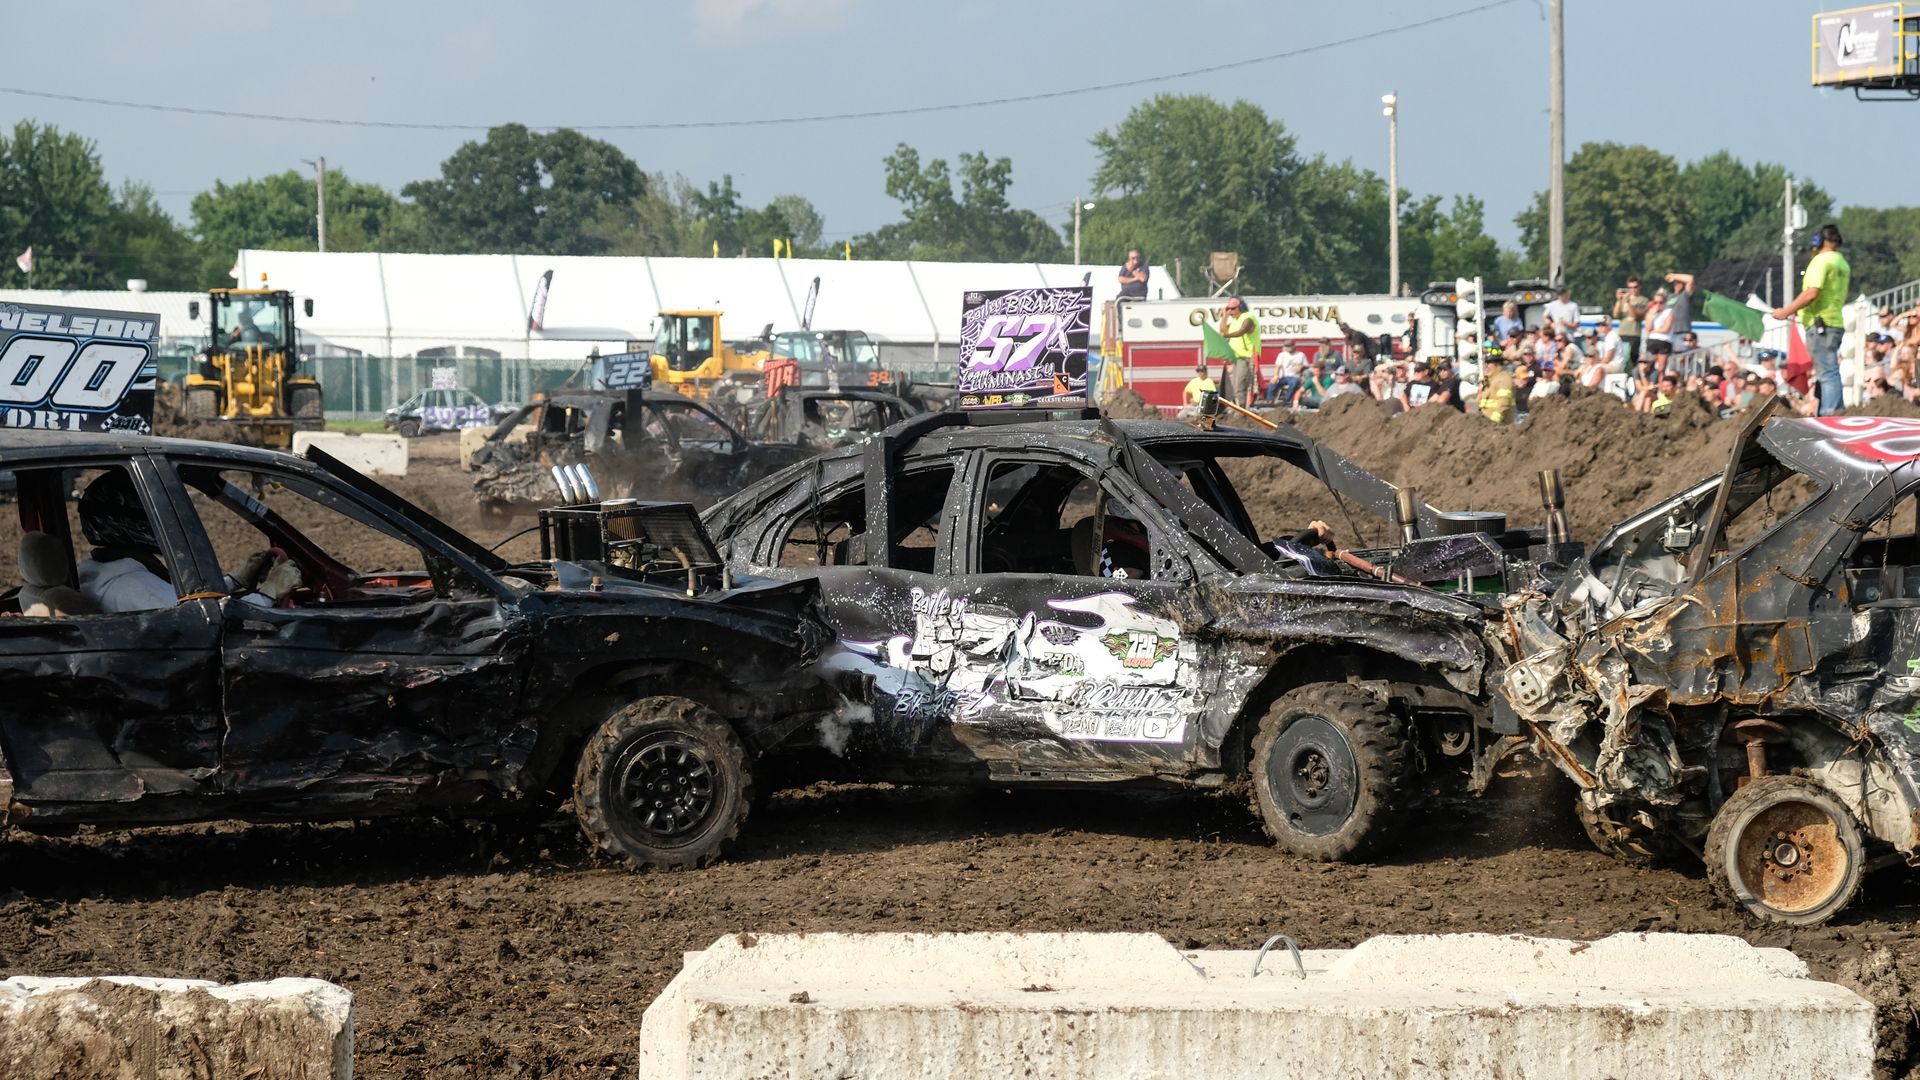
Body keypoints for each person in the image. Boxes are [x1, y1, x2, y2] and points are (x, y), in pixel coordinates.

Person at [1771, 224, 1851, 416]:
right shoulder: (1842, 263)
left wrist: (1787, 311)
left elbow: (1812, 292)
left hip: (1820, 323)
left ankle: (1831, 414)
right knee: (1830, 370)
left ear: (1819, 241)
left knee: (1827, 372)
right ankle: (1832, 412)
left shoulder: (1821, 261)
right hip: (1834, 322)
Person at [1218, 297, 1259, 405]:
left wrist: (1226, 335)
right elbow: (1222, 330)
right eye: (1228, 308)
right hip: (1237, 358)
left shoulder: (1248, 317)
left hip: (1246, 357)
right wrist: (1224, 317)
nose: (1230, 311)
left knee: (1240, 386)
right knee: (1236, 387)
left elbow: (1243, 330)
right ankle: (1240, 409)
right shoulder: (1235, 321)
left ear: (1241, 307)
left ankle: (1242, 411)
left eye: (1233, 308)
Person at [1611, 276, 1649, 367]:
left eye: (1635, 287)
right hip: (1622, 333)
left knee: (1632, 360)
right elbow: (1616, 315)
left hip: (1634, 334)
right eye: (1630, 287)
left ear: (1639, 287)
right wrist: (1619, 300)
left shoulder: (1643, 300)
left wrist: (1629, 303)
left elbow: (1636, 316)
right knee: (1621, 359)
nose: (1633, 290)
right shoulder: (1624, 299)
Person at [1266, 341, 1308, 405]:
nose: (1287, 348)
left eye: (1289, 346)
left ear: (1294, 346)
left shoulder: (1300, 354)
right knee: (1273, 382)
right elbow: (1277, 366)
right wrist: (1276, 376)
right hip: (1283, 377)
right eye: (1286, 346)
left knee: (1294, 382)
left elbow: (1307, 365)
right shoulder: (1282, 355)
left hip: (1295, 377)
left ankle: (1286, 400)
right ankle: (1270, 400)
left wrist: (1301, 366)